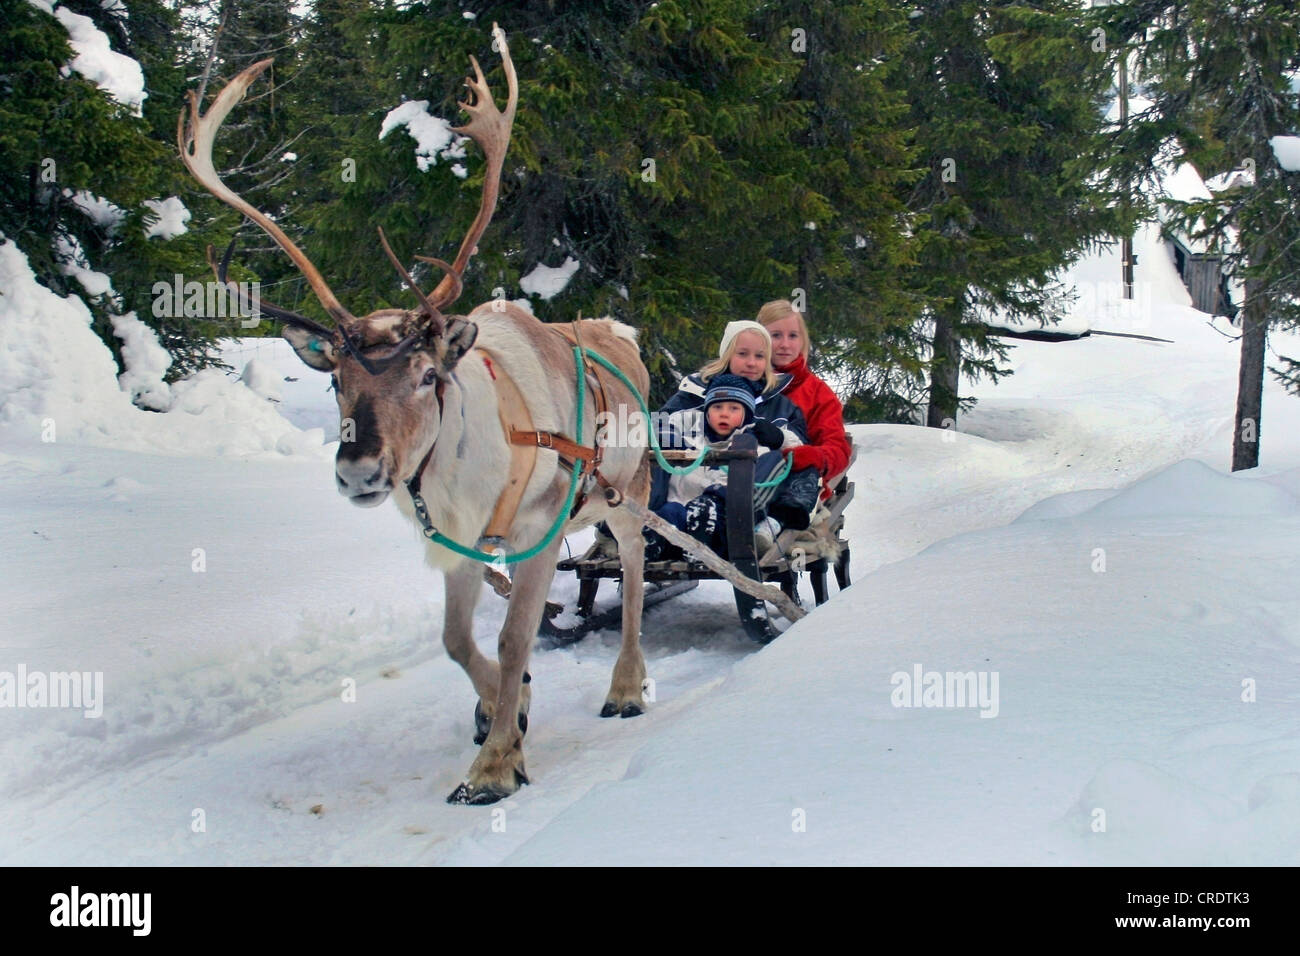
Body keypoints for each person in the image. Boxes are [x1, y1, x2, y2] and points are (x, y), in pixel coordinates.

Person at [654, 320, 821, 533]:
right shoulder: (695, 394)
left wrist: (779, 437)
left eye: (759, 356)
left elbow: (802, 450)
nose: (751, 363)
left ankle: (774, 520)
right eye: (742, 354)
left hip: (748, 491)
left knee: (786, 461)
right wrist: (668, 438)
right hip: (686, 484)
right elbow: (659, 421)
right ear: (727, 355)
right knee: (649, 457)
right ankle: (643, 515)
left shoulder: (780, 404)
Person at [646, 373, 794, 560]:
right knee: (670, 511)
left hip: (722, 523)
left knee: (707, 511)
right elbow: (655, 424)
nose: (724, 413)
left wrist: (716, 496)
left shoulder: (755, 446)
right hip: (679, 511)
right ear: (707, 413)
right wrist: (664, 436)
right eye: (717, 407)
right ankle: (650, 541)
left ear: (745, 415)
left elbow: (783, 460)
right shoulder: (691, 437)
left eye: (734, 408)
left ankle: (700, 540)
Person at [755, 300, 851, 503]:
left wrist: (811, 457)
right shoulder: (740, 380)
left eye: (793, 336)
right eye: (776, 335)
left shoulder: (817, 393)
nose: (785, 345)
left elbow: (838, 450)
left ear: (802, 341)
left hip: (794, 491)